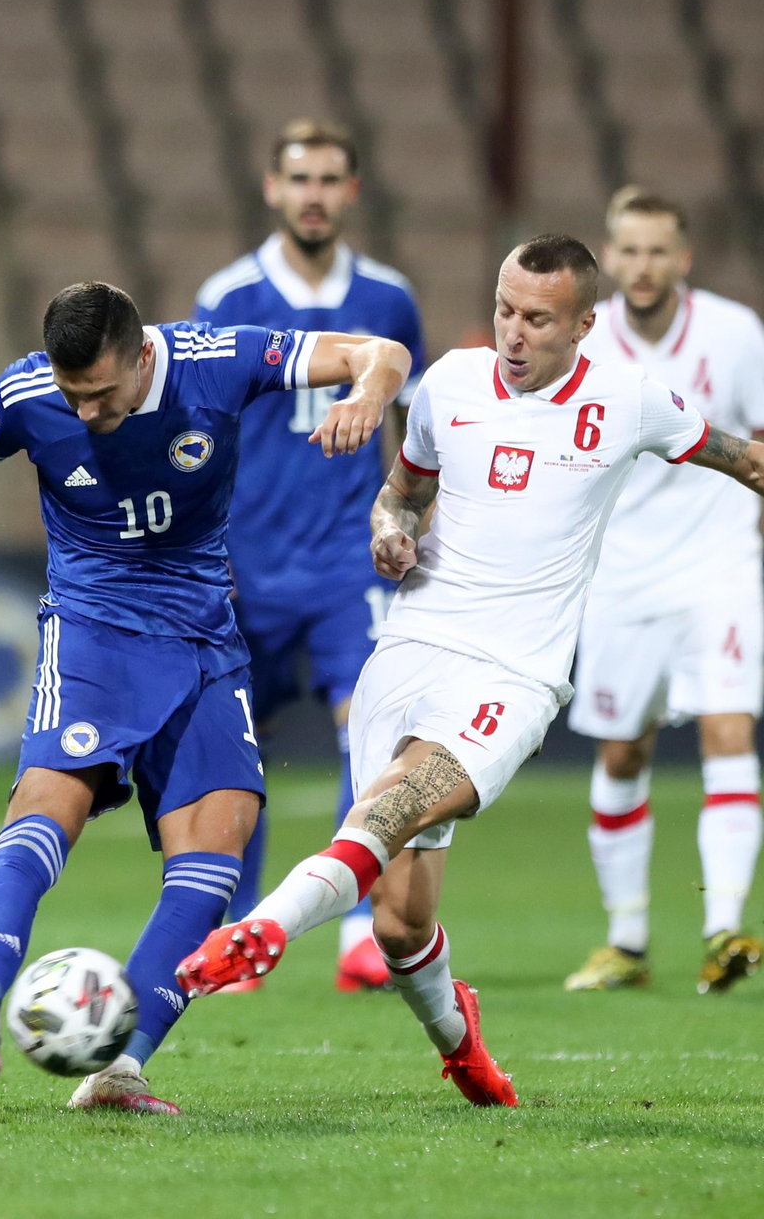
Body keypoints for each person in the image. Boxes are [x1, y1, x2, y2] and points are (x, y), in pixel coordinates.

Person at [175, 233, 764, 1106]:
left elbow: (742, 455)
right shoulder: (449, 384)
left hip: (516, 673)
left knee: (390, 806)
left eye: (537, 318)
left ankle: (265, 928)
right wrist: (391, 529)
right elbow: (403, 490)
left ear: (583, 325)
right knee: (400, 918)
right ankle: (462, 1047)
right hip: (412, 650)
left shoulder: (630, 399)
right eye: (504, 310)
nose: (514, 333)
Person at [0, 281, 410, 1112]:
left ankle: (123, 1069)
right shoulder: (27, 392)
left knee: (217, 857)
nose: (83, 413)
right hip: (89, 632)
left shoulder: (213, 360)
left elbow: (382, 353)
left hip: (203, 641)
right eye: (72, 395)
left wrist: (366, 394)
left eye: (102, 394)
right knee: (43, 813)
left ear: (142, 356)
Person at [191, 118, 426, 992]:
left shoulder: (390, 298)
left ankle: (358, 924)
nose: (315, 194)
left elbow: (413, 425)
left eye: (330, 178)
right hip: (244, 560)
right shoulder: (228, 296)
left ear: (352, 190)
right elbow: (199, 427)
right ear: (272, 188)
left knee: (371, 732)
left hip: (346, 559)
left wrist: (411, 515)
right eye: (301, 179)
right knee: (233, 747)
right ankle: (239, 927)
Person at [565, 190, 764, 994]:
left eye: (659, 251)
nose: (643, 266)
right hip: (619, 574)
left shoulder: (734, 332)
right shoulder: (586, 344)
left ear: (683, 259)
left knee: (728, 729)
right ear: (609, 259)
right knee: (624, 749)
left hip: (719, 566)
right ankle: (628, 940)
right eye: (629, 250)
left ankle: (723, 928)